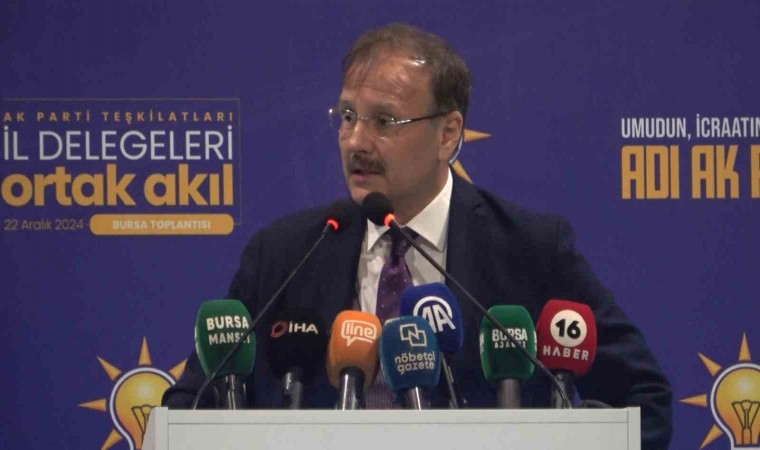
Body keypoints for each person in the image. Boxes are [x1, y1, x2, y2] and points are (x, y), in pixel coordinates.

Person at [163, 23, 672, 449]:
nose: (356, 141)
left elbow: (643, 402)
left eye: (384, 121)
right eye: (347, 117)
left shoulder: (530, 250)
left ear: (447, 134)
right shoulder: (284, 254)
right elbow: (192, 408)